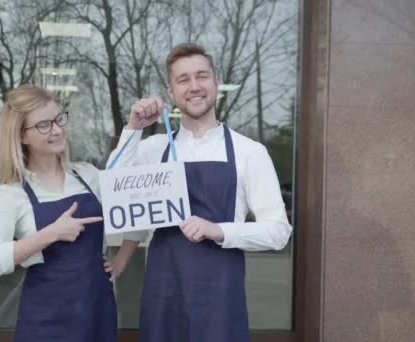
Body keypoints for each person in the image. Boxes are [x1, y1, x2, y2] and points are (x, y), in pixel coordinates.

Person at [107, 43, 293, 342]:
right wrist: (133, 128)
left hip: (220, 297)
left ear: (216, 82)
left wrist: (218, 230)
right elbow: (113, 189)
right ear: (171, 90)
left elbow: (278, 232)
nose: (194, 86)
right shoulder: (153, 149)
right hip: (163, 292)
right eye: (183, 80)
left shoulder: (250, 152)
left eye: (202, 76)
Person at [0, 84, 133, 342]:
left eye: (59, 119)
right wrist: (50, 234)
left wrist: (121, 261)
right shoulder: (11, 194)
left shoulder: (89, 176)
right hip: (45, 322)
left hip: (98, 312)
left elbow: (139, 208)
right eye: (44, 125)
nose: (58, 130)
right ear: (22, 136)